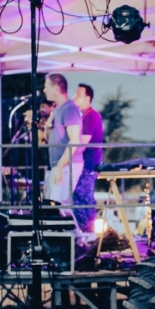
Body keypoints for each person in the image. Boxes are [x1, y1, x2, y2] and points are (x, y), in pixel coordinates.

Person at [42, 73, 82, 204]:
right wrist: (47, 127)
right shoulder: (58, 110)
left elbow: (74, 140)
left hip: (66, 165)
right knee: (54, 206)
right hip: (58, 165)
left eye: (46, 86)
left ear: (56, 88)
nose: (44, 90)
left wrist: (60, 166)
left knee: (58, 206)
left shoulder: (70, 109)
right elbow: (48, 139)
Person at [72, 83, 104, 233]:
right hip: (88, 165)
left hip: (87, 165)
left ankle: (87, 234)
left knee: (82, 200)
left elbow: (82, 144)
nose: (74, 97)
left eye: (78, 94)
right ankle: (87, 233)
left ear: (87, 97)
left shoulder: (90, 116)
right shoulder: (87, 116)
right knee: (83, 199)